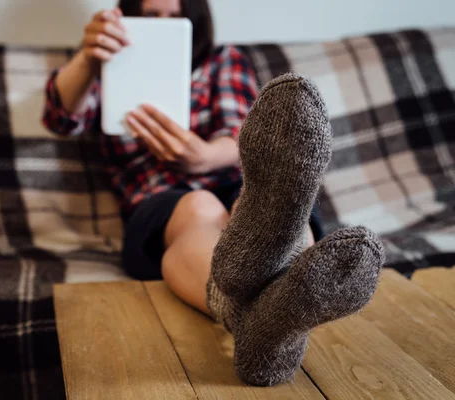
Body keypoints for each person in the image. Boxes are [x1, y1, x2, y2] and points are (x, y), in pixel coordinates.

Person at [43, 0, 385, 386]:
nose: (163, 25)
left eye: (175, 17)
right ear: (129, 17)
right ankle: (268, 314)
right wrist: (89, 57)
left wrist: (203, 157)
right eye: (151, 16)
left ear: (195, 18)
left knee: (257, 205)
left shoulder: (222, 60)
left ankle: (261, 315)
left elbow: (239, 129)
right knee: (198, 206)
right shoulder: (109, 64)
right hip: (160, 200)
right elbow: (60, 117)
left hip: (232, 179)